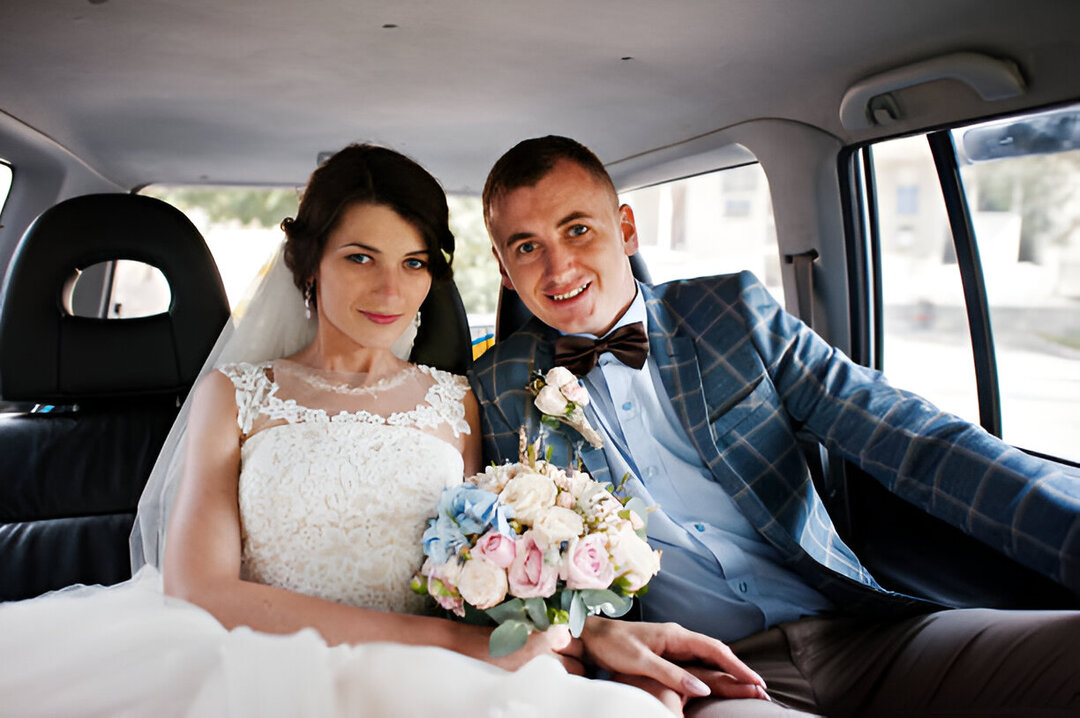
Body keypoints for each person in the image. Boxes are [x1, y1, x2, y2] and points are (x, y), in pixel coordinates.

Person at [0, 143, 719, 716]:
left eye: (413, 263)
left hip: (437, 676)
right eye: (360, 258)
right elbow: (201, 590)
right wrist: (446, 643)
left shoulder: (460, 401)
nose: (389, 290)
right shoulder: (235, 396)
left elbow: (480, 574)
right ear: (310, 263)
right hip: (259, 666)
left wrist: (579, 632)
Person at [470, 135, 1080, 717]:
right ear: (502, 268)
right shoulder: (497, 386)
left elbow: (909, 435)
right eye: (526, 247)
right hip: (701, 678)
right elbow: (502, 576)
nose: (558, 267)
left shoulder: (731, 313)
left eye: (577, 229)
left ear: (626, 229)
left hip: (859, 634)